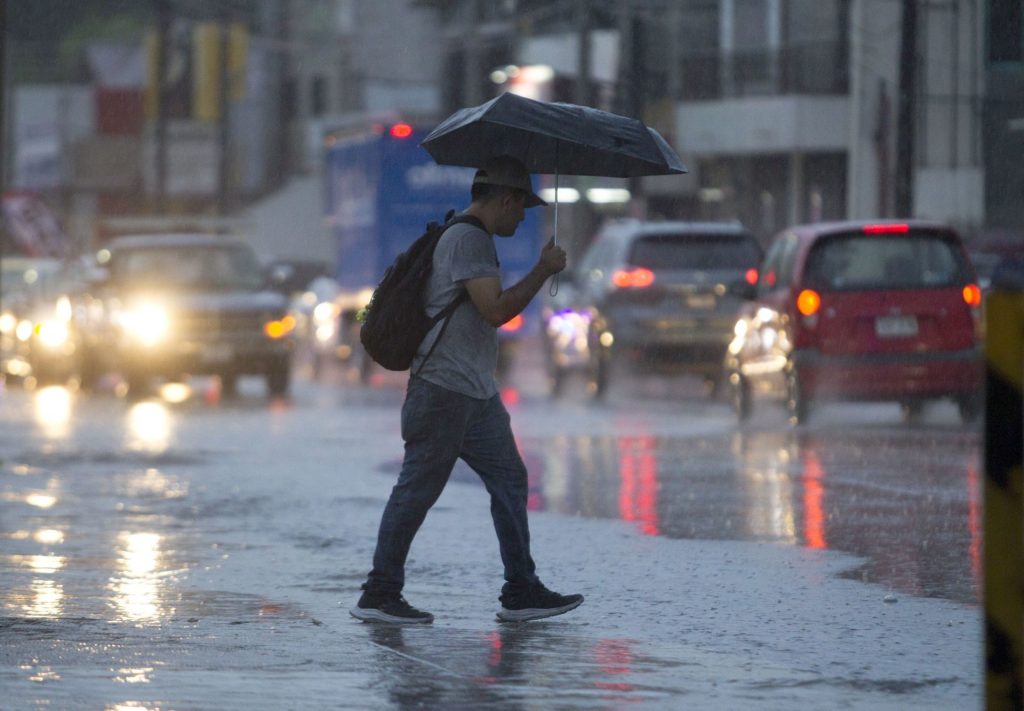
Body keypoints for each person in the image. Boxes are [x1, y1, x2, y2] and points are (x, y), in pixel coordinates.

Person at [350, 156, 584, 624]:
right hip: (443, 390)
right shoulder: (468, 239)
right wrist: (542, 270)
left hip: (475, 393)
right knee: (417, 491)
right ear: (506, 200)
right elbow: (495, 310)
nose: (522, 219)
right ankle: (379, 593)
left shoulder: (470, 238)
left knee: (510, 479)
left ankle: (521, 589)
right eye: (522, 209)